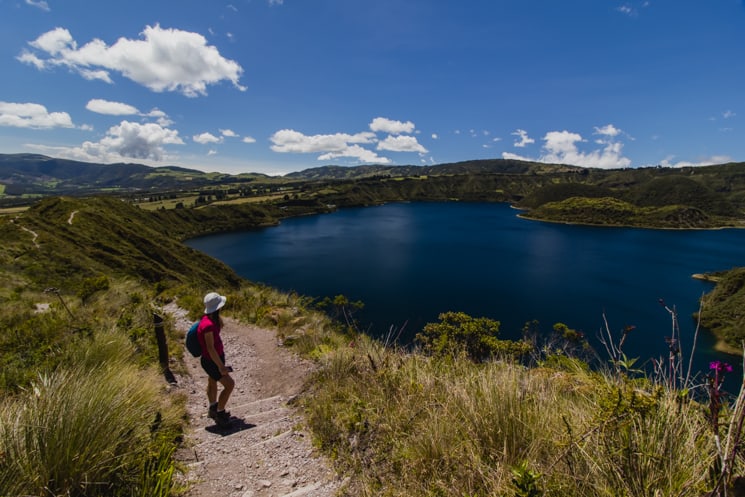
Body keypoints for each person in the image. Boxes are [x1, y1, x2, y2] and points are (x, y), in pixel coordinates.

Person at [197, 291, 234, 428]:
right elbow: (210, 348)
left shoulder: (208, 320)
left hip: (211, 359)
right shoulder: (208, 326)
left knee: (212, 381)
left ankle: (213, 408)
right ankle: (220, 413)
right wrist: (221, 366)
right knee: (229, 384)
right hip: (212, 361)